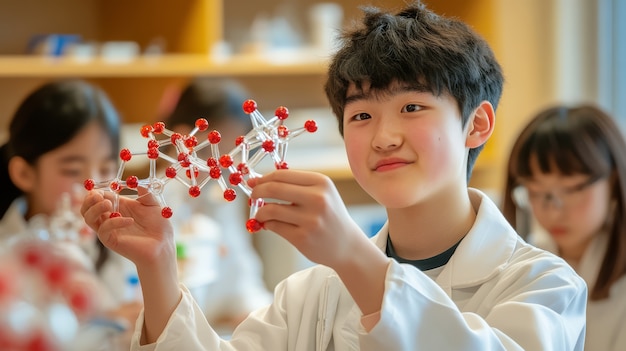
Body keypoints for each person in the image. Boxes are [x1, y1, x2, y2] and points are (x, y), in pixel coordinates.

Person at [81, 2, 587, 350]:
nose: (384, 137)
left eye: (412, 106)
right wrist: (158, 265)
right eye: (361, 115)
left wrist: (350, 253)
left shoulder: (543, 286)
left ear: (476, 124)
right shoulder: (313, 293)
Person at [0, 79, 142, 349]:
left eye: (106, 168)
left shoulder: (124, 236)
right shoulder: (8, 254)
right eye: (72, 171)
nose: (93, 186)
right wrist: (105, 323)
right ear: (24, 173)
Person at [502, 104, 626, 350]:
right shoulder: (532, 263)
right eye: (536, 192)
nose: (553, 210)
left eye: (572, 189)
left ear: (613, 181)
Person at [158, 77, 273, 330]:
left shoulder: (223, 195)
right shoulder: (154, 202)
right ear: (182, 140)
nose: (221, 168)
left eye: (232, 155)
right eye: (211, 154)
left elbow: (243, 279)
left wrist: (259, 315)